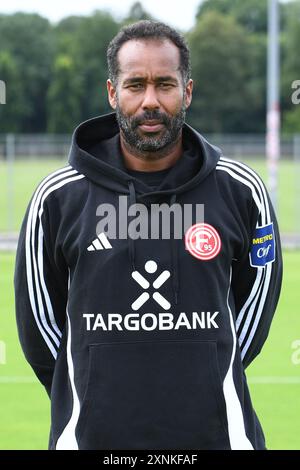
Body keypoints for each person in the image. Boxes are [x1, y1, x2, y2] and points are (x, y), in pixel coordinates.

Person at [14, 20, 282, 450]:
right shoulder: (58, 199)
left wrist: (204, 371)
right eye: (135, 85)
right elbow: (40, 331)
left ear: (188, 91)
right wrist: (95, 385)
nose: (150, 101)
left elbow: (253, 317)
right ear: (112, 93)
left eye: (165, 84)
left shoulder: (241, 192)